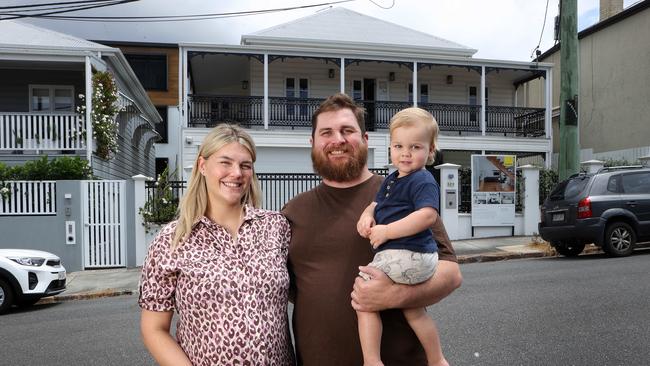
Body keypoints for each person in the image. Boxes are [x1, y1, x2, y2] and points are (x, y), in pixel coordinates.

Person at [282, 93, 462, 366]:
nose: (338, 140)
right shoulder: (293, 212)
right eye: (326, 132)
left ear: (365, 140)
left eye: (347, 130)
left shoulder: (402, 191)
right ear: (313, 143)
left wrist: (395, 295)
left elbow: (451, 273)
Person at [138, 124, 295, 366]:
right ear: (202, 166)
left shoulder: (276, 227)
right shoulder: (172, 240)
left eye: (245, 165)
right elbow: (154, 329)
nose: (237, 173)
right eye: (226, 162)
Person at [356, 107, 446, 366]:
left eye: (415, 147)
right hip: (410, 256)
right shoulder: (393, 179)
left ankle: (372, 360)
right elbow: (376, 204)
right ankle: (437, 359)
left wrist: (386, 231)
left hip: (410, 253)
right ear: (390, 148)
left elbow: (427, 216)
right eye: (399, 146)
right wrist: (367, 216)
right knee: (414, 310)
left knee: (364, 296)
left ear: (430, 152)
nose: (405, 153)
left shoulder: (422, 180)